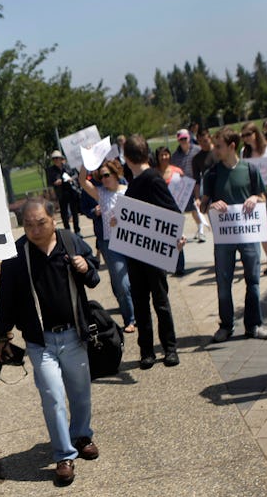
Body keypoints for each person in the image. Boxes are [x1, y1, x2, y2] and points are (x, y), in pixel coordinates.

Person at [0, 198, 100, 486]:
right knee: (52, 397)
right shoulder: (18, 254)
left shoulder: (70, 241)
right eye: (28, 224)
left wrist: (84, 266)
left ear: (53, 220)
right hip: (41, 341)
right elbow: (6, 298)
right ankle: (64, 455)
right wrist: (2, 335)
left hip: (73, 334)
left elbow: (94, 275)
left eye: (40, 222)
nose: (35, 229)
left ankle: (81, 436)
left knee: (80, 393)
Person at [200, 126, 267, 343]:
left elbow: (261, 196)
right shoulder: (212, 174)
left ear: (232, 146)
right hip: (224, 240)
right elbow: (203, 206)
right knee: (224, 283)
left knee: (253, 280)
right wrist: (212, 204)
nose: (216, 150)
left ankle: (254, 325)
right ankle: (226, 325)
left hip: (248, 235)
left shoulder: (249, 170)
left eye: (219, 146)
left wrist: (255, 199)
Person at [123, 135, 185, 369]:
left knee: (159, 301)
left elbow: (172, 210)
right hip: (137, 253)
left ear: (127, 158)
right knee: (141, 303)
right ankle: (147, 351)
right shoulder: (138, 179)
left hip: (153, 253)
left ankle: (169, 348)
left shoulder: (151, 179)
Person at [78, 159, 136, 333]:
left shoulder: (128, 191)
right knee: (122, 283)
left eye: (106, 175)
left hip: (130, 241)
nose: (103, 179)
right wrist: (84, 160)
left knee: (135, 281)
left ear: (116, 174)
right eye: (100, 176)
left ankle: (139, 312)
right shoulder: (100, 194)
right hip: (110, 243)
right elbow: (82, 182)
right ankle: (130, 319)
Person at [240, 121, 267, 274]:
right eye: (243, 136)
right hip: (255, 192)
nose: (246, 138)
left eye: (248, 134)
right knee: (263, 224)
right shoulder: (244, 153)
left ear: (256, 134)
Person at [172, 128, 210, 242]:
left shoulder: (197, 150)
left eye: (185, 138)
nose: (183, 141)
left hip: (198, 182)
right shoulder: (175, 156)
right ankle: (197, 229)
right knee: (190, 210)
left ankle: (202, 231)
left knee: (198, 208)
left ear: (189, 138)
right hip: (184, 186)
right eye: (181, 139)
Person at [155, 146, 187, 276]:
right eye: (161, 155)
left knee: (177, 237)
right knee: (162, 238)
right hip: (159, 210)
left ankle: (179, 266)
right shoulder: (154, 173)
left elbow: (185, 188)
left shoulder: (177, 171)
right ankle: (165, 265)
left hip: (175, 209)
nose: (164, 157)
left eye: (166, 154)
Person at [46, 150, 81, 234]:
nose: (56, 160)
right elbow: (49, 182)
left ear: (61, 159)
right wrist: (56, 182)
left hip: (71, 191)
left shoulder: (68, 166)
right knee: (64, 213)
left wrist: (71, 178)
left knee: (74, 212)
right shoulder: (51, 170)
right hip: (61, 193)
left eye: (57, 158)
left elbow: (76, 174)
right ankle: (67, 230)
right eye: (54, 159)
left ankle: (77, 230)